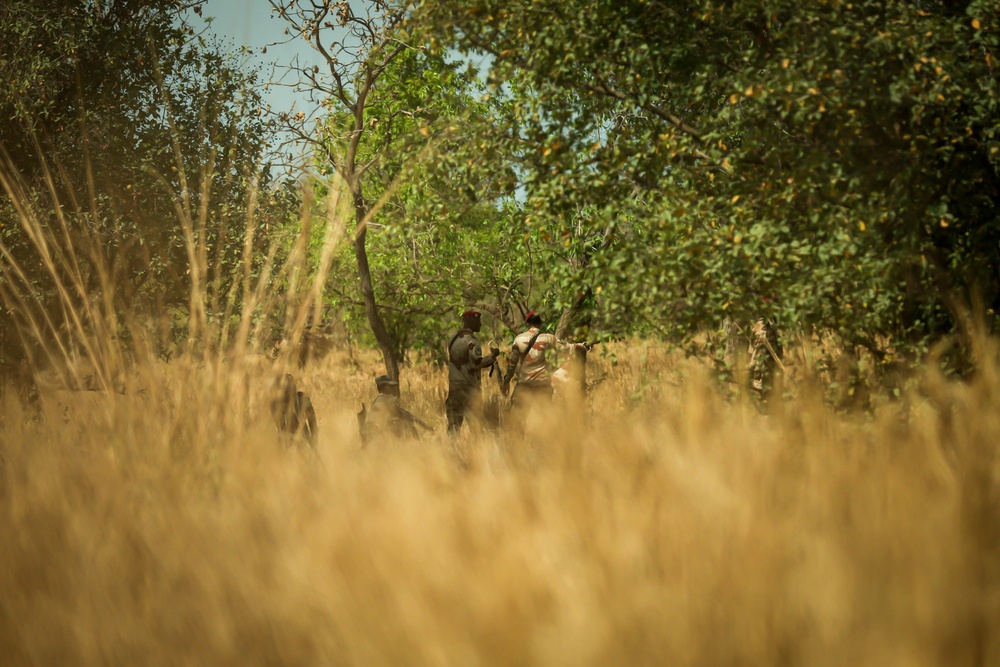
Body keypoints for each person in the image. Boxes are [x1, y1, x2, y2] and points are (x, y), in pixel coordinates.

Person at [503, 311, 581, 411]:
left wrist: (506, 381)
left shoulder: (519, 339)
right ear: (540, 323)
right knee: (545, 418)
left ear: (528, 324)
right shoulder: (549, 338)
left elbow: (512, 364)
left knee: (518, 419)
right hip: (542, 386)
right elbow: (567, 348)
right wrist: (583, 346)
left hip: (524, 385)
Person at [445, 309, 500, 433]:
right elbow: (476, 363)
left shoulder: (453, 338)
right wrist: (492, 356)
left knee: (453, 428)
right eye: (477, 321)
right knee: (476, 427)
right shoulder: (471, 340)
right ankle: (475, 451)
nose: (480, 324)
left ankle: (449, 451)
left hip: (454, 388)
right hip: (469, 389)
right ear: (470, 322)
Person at [358, 375, 430, 445]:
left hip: (373, 436)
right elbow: (406, 415)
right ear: (383, 387)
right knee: (405, 424)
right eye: (390, 386)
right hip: (378, 437)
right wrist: (425, 426)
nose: (393, 388)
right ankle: (419, 445)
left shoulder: (378, 400)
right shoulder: (386, 400)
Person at [271, 373, 318, 446]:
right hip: (286, 442)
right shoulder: (275, 404)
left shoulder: (301, 398)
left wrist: (314, 438)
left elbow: (312, 420)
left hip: (303, 440)